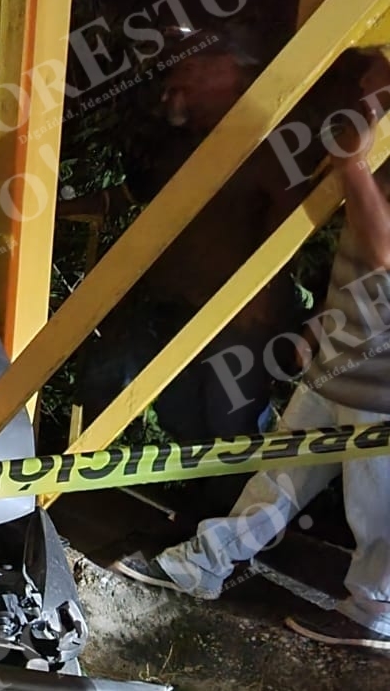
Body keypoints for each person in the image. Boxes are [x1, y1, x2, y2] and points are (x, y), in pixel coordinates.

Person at [115, 55, 390, 652]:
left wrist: (354, 162)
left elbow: (385, 251)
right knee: (283, 471)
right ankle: (204, 564)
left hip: (382, 366)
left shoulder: (367, 159)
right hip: (346, 346)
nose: (365, 87)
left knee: (377, 496)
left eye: (378, 72)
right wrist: (323, 321)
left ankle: (374, 613)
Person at [77, 24, 304, 465]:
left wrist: (259, 294)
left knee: (229, 425)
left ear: (230, 72)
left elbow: (289, 216)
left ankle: (240, 515)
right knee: (180, 416)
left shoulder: (265, 140)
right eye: (179, 68)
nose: (179, 78)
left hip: (236, 318)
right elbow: (129, 195)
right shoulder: (175, 145)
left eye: (194, 67)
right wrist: (53, 209)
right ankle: (204, 510)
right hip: (171, 310)